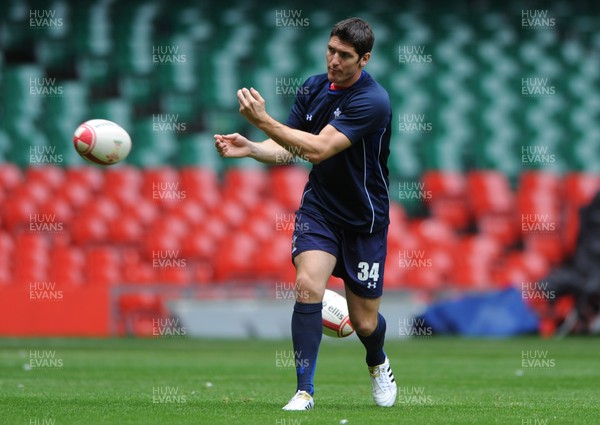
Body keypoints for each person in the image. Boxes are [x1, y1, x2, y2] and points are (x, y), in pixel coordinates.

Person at [214, 17, 396, 410]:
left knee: (364, 323)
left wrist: (263, 119)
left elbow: (316, 149)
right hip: (321, 209)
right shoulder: (313, 87)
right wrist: (252, 148)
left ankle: (377, 361)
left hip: (365, 220)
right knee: (308, 286)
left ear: (363, 59)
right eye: (331, 50)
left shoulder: (372, 101)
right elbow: (288, 149)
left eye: (344, 56)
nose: (333, 60)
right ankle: (304, 392)